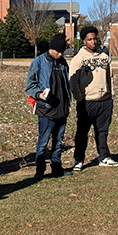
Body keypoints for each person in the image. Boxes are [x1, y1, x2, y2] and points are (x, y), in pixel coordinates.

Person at [70, 26, 118, 170]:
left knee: (102, 132)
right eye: (90, 39)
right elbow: (73, 81)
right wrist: (79, 99)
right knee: (82, 133)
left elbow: (110, 77)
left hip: (105, 101)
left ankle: (103, 156)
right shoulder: (78, 59)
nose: (93, 42)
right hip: (87, 102)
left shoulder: (104, 56)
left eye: (95, 39)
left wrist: (111, 96)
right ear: (84, 41)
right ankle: (78, 160)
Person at [25, 33, 72, 178]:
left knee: (58, 142)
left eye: (63, 52)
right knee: (43, 142)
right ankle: (39, 171)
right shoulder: (38, 62)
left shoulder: (63, 63)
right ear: (51, 49)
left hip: (62, 109)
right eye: (58, 51)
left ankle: (56, 168)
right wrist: (39, 94)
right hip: (46, 110)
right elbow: (29, 86)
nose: (60, 54)